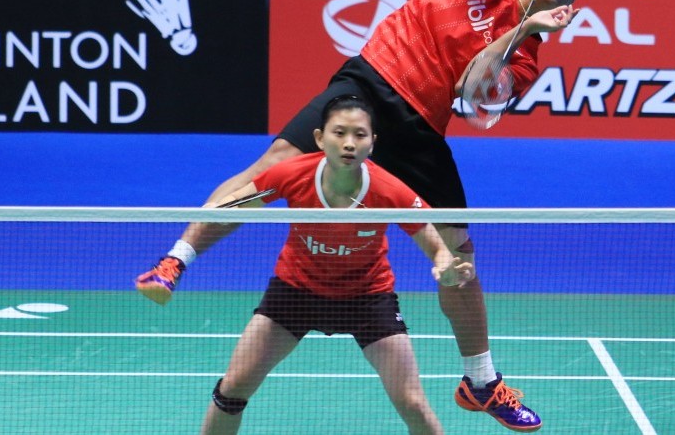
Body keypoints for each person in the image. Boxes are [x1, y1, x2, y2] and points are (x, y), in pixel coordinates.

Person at [138, 0, 595, 432]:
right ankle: (176, 259)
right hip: (370, 79)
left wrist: (524, 28)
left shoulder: (527, 56)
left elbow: (473, 91)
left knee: (460, 255)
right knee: (271, 170)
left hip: (421, 126)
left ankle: (481, 382)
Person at [191, 96, 473, 434]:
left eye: (359, 134)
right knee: (232, 389)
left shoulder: (388, 189)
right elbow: (239, 201)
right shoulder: (292, 173)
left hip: (368, 298)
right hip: (295, 292)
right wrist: (214, 212)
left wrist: (448, 268)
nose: (349, 143)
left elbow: (437, 247)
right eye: (339, 133)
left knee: (412, 402)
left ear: (373, 142)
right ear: (319, 138)